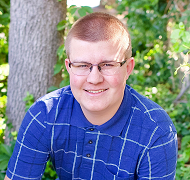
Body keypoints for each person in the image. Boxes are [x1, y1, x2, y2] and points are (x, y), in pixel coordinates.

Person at [5, 12, 177, 180]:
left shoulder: (156, 131)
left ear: (128, 68)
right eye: (82, 65)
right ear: (69, 67)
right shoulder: (45, 114)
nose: (94, 79)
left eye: (108, 64)